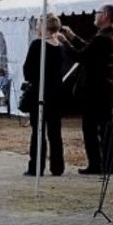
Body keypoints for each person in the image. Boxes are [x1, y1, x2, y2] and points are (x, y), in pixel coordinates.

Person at [58, 4, 113, 175]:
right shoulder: (112, 36)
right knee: (106, 127)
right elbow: (89, 49)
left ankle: (97, 164)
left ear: (106, 16)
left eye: (98, 13)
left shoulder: (103, 38)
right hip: (107, 89)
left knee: (91, 128)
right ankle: (108, 164)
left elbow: (82, 56)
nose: (95, 15)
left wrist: (65, 43)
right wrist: (72, 37)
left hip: (96, 90)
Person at [23, 14, 67, 176]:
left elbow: (27, 71)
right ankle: (57, 166)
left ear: (44, 26)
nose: (36, 27)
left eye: (38, 23)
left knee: (38, 132)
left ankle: (36, 166)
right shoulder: (60, 47)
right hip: (56, 93)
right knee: (55, 132)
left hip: (40, 92)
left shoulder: (37, 45)